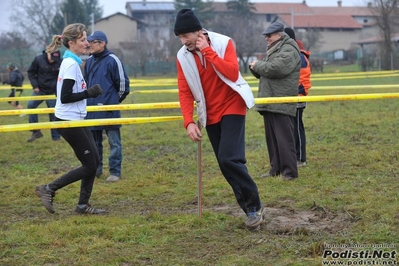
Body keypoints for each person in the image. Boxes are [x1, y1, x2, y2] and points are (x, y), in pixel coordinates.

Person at [174, 9, 266, 231]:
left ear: (198, 32)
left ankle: (255, 206)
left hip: (233, 104)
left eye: (186, 36)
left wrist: (208, 52)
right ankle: (250, 210)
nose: (183, 41)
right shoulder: (182, 56)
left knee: (229, 158)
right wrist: (188, 121)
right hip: (210, 112)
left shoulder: (223, 43)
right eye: (179, 37)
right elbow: (184, 90)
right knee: (227, 164)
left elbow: (233, 73)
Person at [35, 23, 107, 215]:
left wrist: (86, 93)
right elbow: (65, 97)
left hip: (75, 118)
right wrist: (89, 93)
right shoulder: (70, 64)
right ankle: (48, 188)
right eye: (83, 40)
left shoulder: (72, 61)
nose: (87, 43)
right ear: (72, 42)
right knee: (90, 164)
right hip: (68, 120)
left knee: (94, 159)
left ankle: (83, 205)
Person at [249, 22, 301, 181]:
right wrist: (256, 68)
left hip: (281, 101)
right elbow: (269, 72)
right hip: (271, 100)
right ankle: (276, 169)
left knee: (284, 139)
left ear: (279, 34)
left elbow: (276, 69)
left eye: (269, 35)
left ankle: (290, 173)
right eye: (265, 35)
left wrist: (258, 65)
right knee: (272, 139)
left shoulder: (289, 50)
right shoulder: (276, 49)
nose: (266, 38)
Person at [84, 31, 130, 183]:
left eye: (93, 42)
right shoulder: (89, 61)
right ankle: (96, 170)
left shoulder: (113, 60)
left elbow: (123, 86)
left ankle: (115, 172)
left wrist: (112, 102)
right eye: (88, 41)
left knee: (114, 143)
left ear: (103, 43)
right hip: (91, 111)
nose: (89, 44)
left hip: (109, 110)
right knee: (94, 143)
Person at [284, 27, 311, 168]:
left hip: (298, 95)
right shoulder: (295, 53)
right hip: (293, 94)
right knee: (293, 126)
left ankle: (301, 158)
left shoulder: (299, 55)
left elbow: (301, 77)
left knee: (297, 126)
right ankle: (295, 156)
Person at [26, 50, 62, 142]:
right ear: (48, 53)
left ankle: (56, 137)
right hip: (40, 89)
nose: (53, 61)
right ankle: (36, 131)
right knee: (31, 106)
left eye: (55, 59)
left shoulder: (60, 62)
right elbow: (31, 73)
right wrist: (35, 86)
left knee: (54, 112)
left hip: (53, 91)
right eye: (52, 58)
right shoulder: (38, 59)